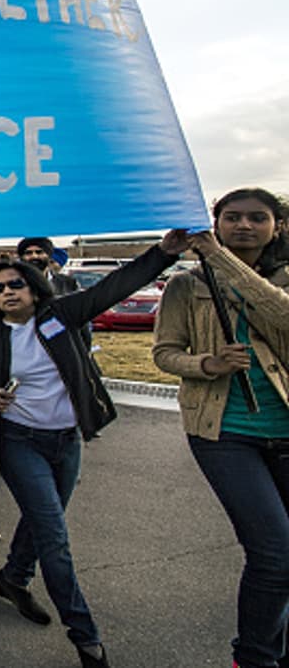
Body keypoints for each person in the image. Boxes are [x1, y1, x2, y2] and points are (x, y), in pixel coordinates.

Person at [0, 231, 188, 668]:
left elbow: (113, 286)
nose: (6, 292)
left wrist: (163, 254)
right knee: (55, 538)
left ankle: (13, 577)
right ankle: (86, 637)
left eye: (15, 284)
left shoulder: (61, 315)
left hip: (66, 441)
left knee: (45, 520)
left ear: (33, 287)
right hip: (18, 441)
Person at [153, 189, 289, 668]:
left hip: (284, 425)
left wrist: (222, 260)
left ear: (278, 226)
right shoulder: (186, 287)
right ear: (216, 221)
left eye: (257, 218)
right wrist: (207, 362)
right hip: (223, 430)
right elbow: (164, 352)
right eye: (231, 218)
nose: (244, 226)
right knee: (274, 552)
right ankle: (254, 658)